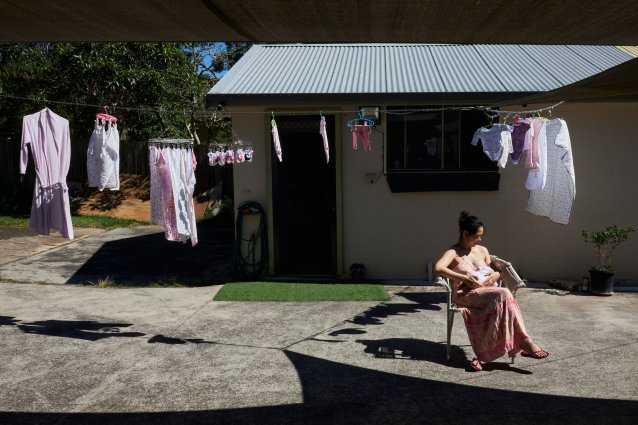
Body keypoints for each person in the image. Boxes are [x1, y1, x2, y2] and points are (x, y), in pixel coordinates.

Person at [434, 210, 549, 371]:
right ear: (465, 233)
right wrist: (464, 278)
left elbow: (494, 269)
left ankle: (485, 355)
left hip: (490, 293)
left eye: (481, 236)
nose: (479, 240)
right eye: (476, 236)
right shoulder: (453, 252)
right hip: (466, 295)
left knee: (502, 298)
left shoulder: (482, 250)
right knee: (504, 294)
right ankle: (523, 341)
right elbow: (438, 268)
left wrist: (496, 274)